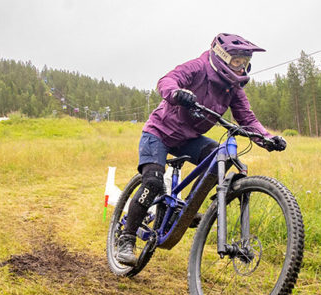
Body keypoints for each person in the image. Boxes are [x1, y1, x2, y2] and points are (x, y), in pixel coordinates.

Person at [117, 33, 287, 265]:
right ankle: (126, 238)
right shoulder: (198, 67)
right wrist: (177, 93)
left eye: (245, 63)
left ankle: (183, 209)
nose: (241, 67)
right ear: (222, 57)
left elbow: (247, 118)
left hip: (189, 138)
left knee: (221, 155)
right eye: (237, 61)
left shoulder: (233, 88)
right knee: (154, 182)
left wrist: (267, 138)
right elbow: (167, 80)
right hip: (159, 133)